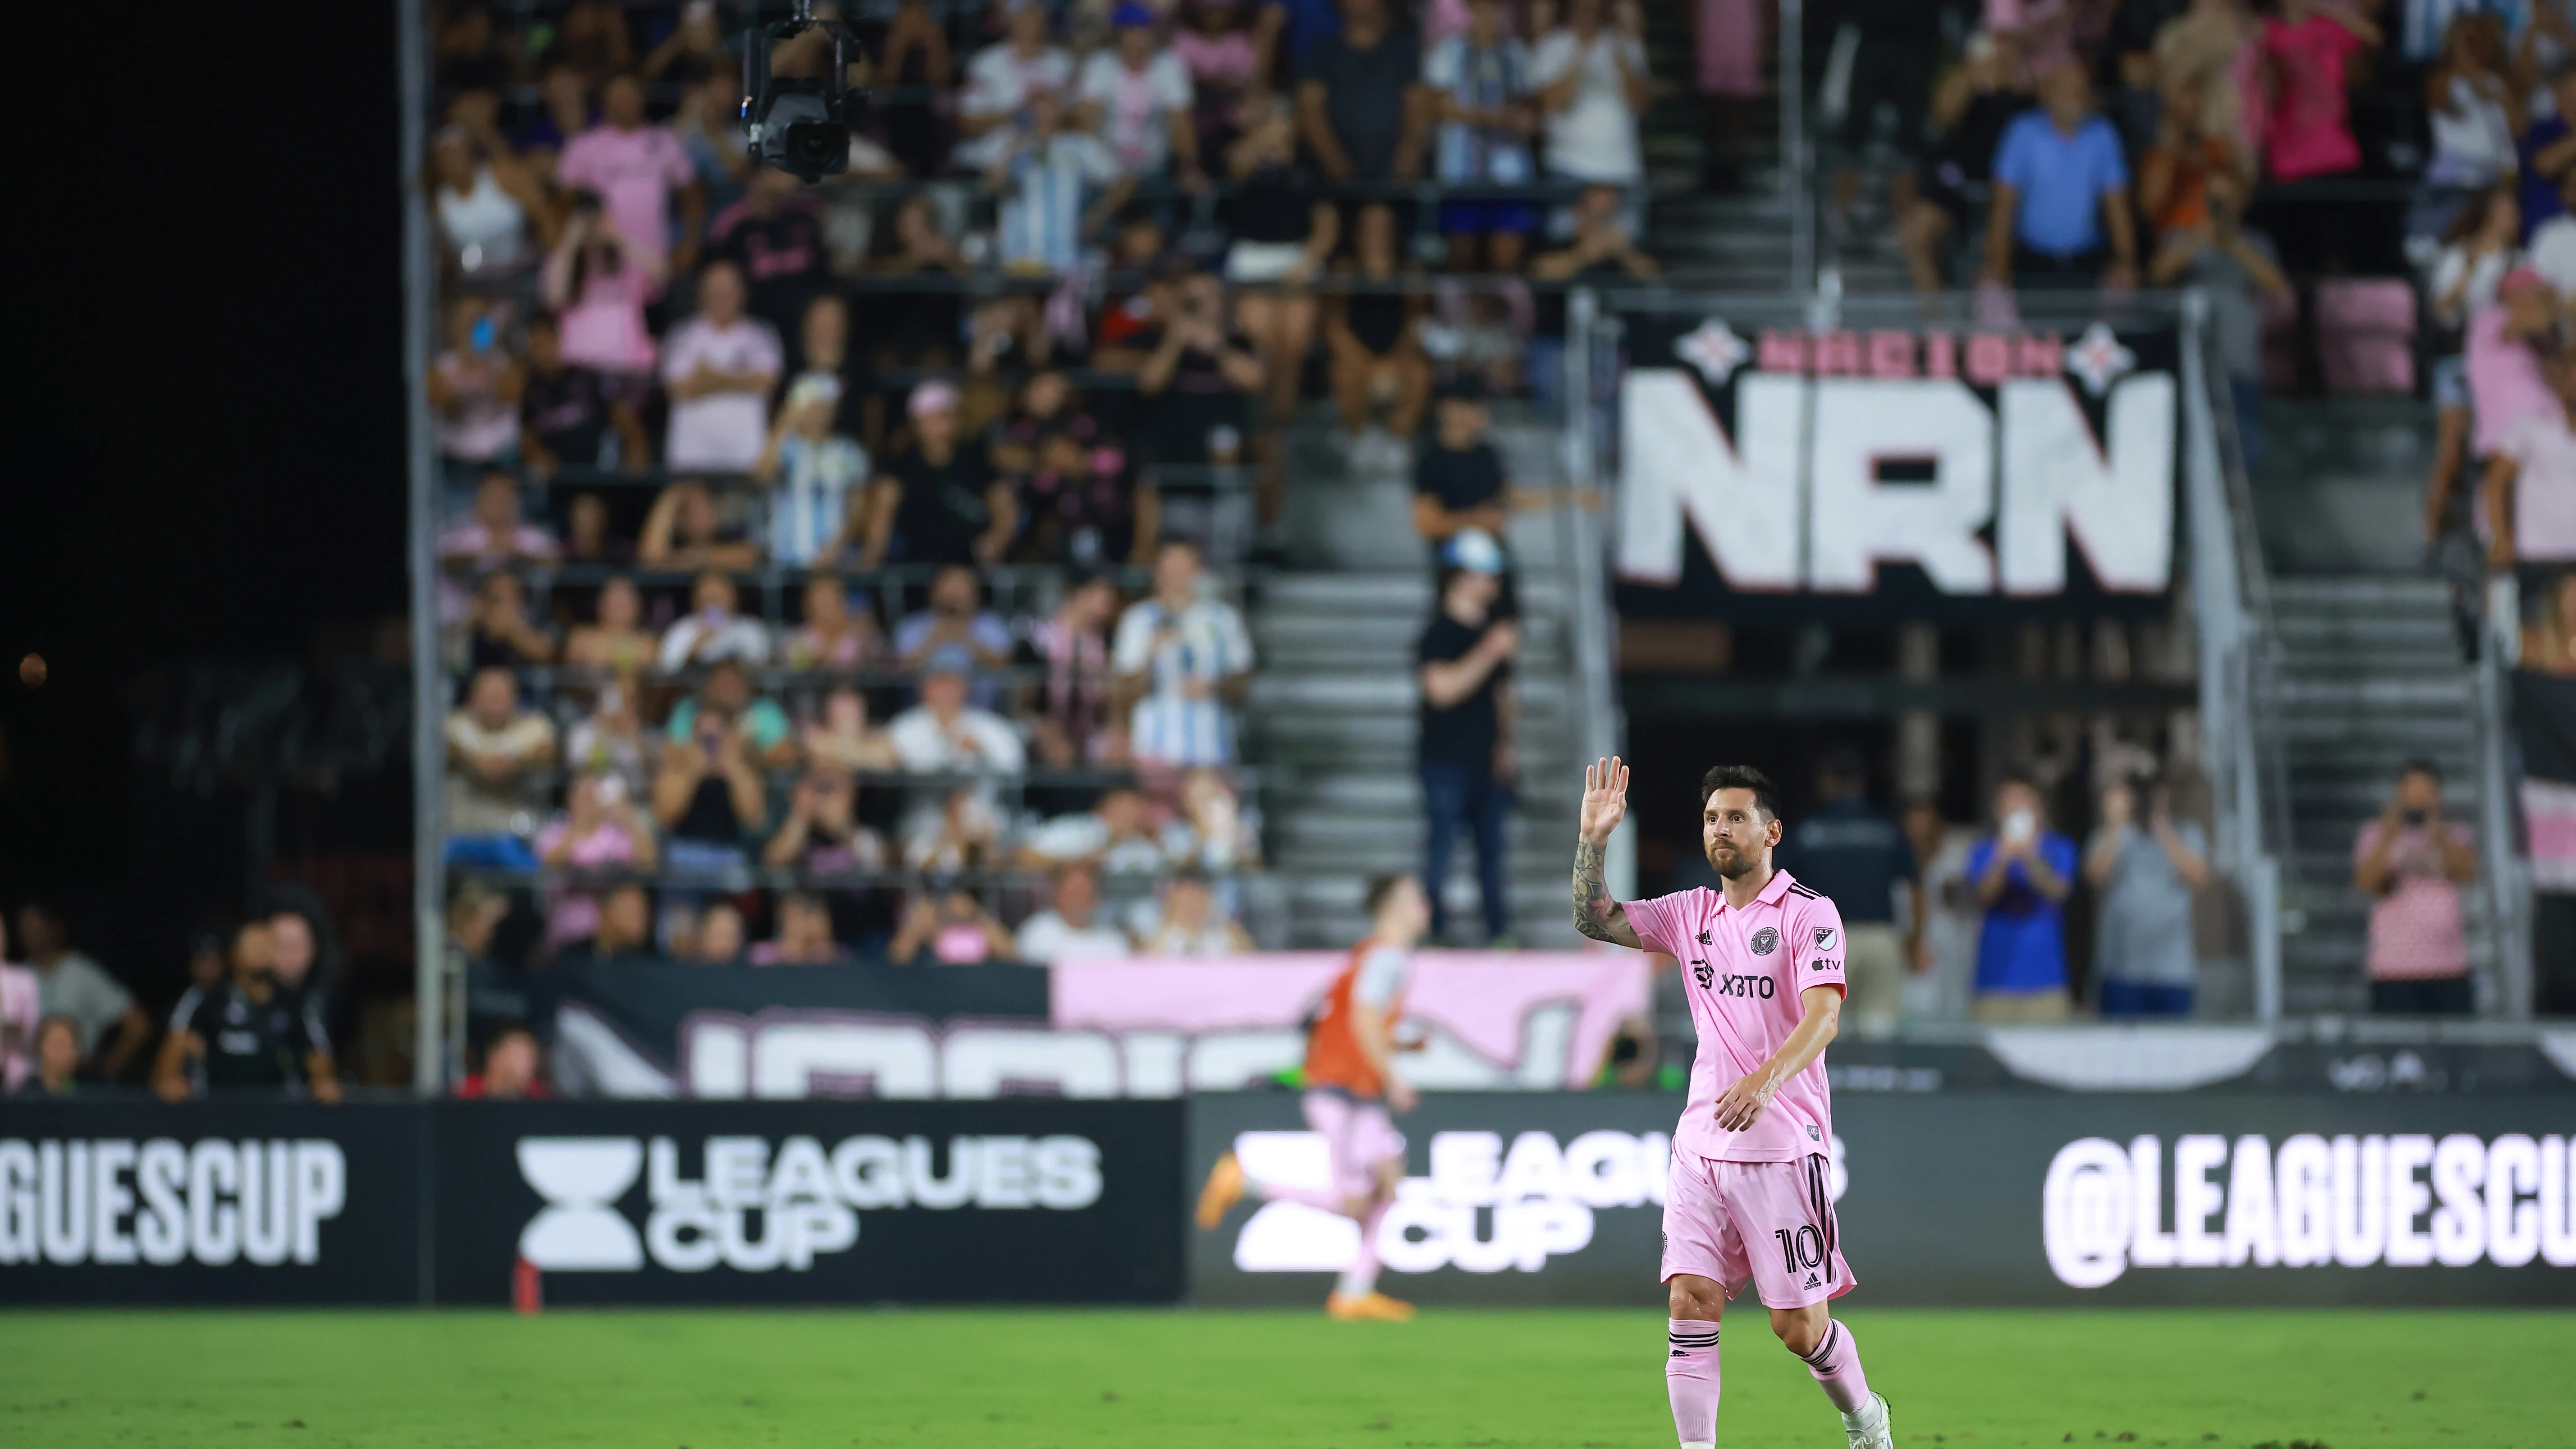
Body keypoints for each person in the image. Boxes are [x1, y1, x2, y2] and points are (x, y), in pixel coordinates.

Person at [1562, 758, 1894, 1449]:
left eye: (1736, 816)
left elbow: (1824, 1016)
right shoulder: (1689, 913)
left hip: (1779, 1146)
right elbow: (1594, 918)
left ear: (1770, 831)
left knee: (1798, 1328)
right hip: (1699, 1148)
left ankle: (1865, 1418)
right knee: (1690, 1302)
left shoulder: (1809, 913)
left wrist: (1764, 1080)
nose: (1721, 828)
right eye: (1712, 816)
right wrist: (1592, 838)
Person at [1195, 873, 1433, 1323]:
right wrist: (1394, 1076)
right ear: (1390, 908)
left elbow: (1351, 1025)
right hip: (1340, 1091)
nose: (1426, 905)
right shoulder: (1386, 958)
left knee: (1387, 1186)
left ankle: (1354, 1292)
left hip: (1355, 1090)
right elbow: (1362, 1020)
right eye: (1415, 897)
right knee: (1354, 1202)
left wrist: (1397, 1045)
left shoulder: (1372, 955)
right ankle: (1243, 1182)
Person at [1773, 751, 1921, 1041]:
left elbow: (1779, 888)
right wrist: (1915, 940)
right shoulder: (1886, 828)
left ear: (1826, 781)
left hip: (1823, 940)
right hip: (1880, 937)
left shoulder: (1806, 831)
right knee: (1880, 1032)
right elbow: (1915, 887)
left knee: (1824, 1035)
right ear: (1861, 783)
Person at [1416, 541, 1519, 945]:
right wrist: (1489, 653)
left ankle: (1498, 934)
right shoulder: (1438, 633)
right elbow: (1441, 689)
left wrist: (1507, 745)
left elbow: (1503, 697)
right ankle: (1431, 934)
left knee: (1492, 856)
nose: (1494, 584)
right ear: (1462, 578)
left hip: (1486, 762)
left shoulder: (1490, 633)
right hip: (1445, 761)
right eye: (1486, 575)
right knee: (1440, 851)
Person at [1979, 64, 2138, 293]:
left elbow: (2117, 206)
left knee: (2117, 296)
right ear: (2047, 94)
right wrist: (1997, 266)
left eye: (2081, 90)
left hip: (2088, 260)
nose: (2076, 97)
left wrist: (2126, 261)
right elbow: (2004, 206)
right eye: (2068, 89)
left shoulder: (2103, 134)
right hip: (2030, 258)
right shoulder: (2022, 133)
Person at [1897, 36, 2031, 294]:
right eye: (2000, 43)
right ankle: (1937, 320)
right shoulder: (1966, 77)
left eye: (2011, 42)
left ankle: (1997, 328)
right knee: (1914, 237)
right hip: (1956, 187)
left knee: (1993, 257)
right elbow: (1941, 116)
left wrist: (2014, 81)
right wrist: (1973, 76)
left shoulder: (2030, 91)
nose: (2005, 51)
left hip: (2007, 194)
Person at [152, 922, 341, 1103]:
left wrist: (324, 1081)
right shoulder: (206, 1000)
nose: (260, 951)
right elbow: (176, 1045)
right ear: (235, 952)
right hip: (216, 1110)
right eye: (252, 945)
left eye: (267, 945)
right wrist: (170, 1079)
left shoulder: (296, 1004)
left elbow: (317, 1055)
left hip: (280, 1113)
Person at [1111, 539, 1256, 768]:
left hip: (1211, 751)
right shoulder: (1138, 621)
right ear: (1158, 574)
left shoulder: (1223, 620)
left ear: (1198, 571)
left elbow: (1242, 684)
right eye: (1170, 570)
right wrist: (1150, 656)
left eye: (1183, 569)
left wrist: (1213, 687)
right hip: (1153, 752)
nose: (1177, 578)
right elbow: (1120, 694)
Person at [2353, 761, 2480, 1014]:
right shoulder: (2374, 834)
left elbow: (2467, 872)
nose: (2418, 799)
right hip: (2393, 969)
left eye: (2426, 792)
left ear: (2439, 796)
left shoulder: (2457, 834)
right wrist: (2389, 834)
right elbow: (2368, 882)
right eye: (2411, 791)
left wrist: (2438, 834)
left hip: (2449, 967)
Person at [2082, 773, 2213, 1017]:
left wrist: (2162, 827)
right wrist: (2115, 826)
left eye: (2155, 795)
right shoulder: (2111, 836)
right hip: (2121, 971)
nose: (2147, 801)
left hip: (2173, 972)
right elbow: (2095, 877)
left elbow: (2200, 878)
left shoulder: (2187, 833)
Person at [1424, 0, 1538, 275]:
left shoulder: (1517, 54)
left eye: (1496, 9)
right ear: (1470, 12)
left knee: (1506, 260)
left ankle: (1503, 315)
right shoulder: (1448, 53)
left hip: (1509, 172)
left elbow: (1529, 106)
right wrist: (1493, 117)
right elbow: (1439, 108)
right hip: (1460, 172)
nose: (1489, 17)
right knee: (1461, 258)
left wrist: (1523, 120)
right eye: (1482, 9)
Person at [555, 71, 703, 276]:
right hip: (602, 268)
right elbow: (563, 205)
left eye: (630, 94)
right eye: (617, 96)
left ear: (642, 97)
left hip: (656, 263)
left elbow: (692, 195)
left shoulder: (665, 141)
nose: (625, 102)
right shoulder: (583, 146)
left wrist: (690, 244)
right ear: (605, 100)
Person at [859, 382, 1014, 569]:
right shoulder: (899, 468)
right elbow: (880, 523)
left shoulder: (978, 460)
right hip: (919, 568)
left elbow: (1004, 505)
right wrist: (870, 562)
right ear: (917, 424)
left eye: (945, 417)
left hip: (971, 567)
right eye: (931, 419)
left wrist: (996, 541)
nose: (940, 426)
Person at [1964, 774, 2079, 1022]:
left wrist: (2029, 857)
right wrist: (2002, 859)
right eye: (2009, 803)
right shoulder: (1984, 851)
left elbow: (2059, 891)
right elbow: (1982, 896)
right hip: (1994, 983)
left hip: (2046, 984)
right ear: (1998, 811)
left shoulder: (2060, 847)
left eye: (2023, 801)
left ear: (2038, 807)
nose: (2016, 808)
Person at [1324, 202, 1435, 458]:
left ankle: (1398, 441)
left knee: (1419, 373)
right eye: (1369, 229)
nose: (1376, 236)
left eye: (1383, 229)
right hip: (1356, 355)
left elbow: (1416, 323)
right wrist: (1368, 364)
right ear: (1357, 232)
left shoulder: (1409, 272)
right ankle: (1357, 439)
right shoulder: (1345, 271)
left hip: (1398, 355)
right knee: (1343, 372)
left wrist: (1393, 361)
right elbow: (1334, 326)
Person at [986, 89, 1131, 274]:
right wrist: (1016, 143)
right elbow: (991, 185)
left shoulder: (1079, 145)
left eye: (1049, 107)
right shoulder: (1008, 143)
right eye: (1036, 108)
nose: (1042, 114)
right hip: (1017, 254)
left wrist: (1099, 214)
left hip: (1065, 255)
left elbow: (1124, 180)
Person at [1297, 0, 1430, 199]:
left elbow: (1418, 105)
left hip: (1392, 178)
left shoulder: (1403, 50)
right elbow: (1310, 110)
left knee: (1377, 221)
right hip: (1332, 182)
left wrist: (1406, 159)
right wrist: (1337, 167)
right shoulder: (1322, 53)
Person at [1136, 269, 1266, 469]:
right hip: (1176, 449)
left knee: (1227, 439)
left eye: (1210, 297)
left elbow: (1255, 381)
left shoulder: (1237, 338)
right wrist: (1175, 341)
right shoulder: (1162, 338)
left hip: (1227, 453)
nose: (1202, 306)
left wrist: (1217, 347)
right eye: (1194, 300)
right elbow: (1148, 384)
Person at [660, 261, 784, 472]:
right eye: (715, 290)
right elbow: (679, 388)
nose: (722, 297)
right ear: (702, 294)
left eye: (729, 290)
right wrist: (742, 377)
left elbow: (767, 383)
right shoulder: (683, 335)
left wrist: (708, 377)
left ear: (743, 294)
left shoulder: (762, 335)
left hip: (747, 458)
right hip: (692, 457)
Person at [13, 903, 151, 1081]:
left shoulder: (82, 972)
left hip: (79, 1082)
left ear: (56, 928)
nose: (31, 937)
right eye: (25, 931)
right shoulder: (16, 978)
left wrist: (107, 1070)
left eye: (37, 929)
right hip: (26, 1086)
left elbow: (139, 1026)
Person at [706, 166, 830, 353]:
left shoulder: (804, 219)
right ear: (760, 175)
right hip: (754, 335)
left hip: (805, 331)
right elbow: (718, 278)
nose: (790, 178)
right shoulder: (734, 223)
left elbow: (825, 276)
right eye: (781, 171)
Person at [1078, 3, 1204, 185]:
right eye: (1139, 29)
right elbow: (1088, 124)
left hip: (1154, 170)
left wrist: (1188, 167)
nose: (1146, 35)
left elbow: (1180, 123)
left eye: (1148, 29)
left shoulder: (1170, 65)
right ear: (1122, 35)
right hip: (1106, 172)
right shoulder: (1100, 65)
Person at [444, 668, 557, 870]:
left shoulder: (535, 727)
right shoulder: (455, 726)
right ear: (473, 699)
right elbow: (447, 752)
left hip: (516, 836)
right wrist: (473, 762)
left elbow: (548, 754)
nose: (495, 705)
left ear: (515, 699)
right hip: (464, 833)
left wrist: (515, 763)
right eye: (489, 697)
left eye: (501, 697)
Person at [754, 374, 871, 567]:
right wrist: (787, 420)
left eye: (825, 407)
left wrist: (837, 546)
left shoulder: (850, 452)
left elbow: (859, 508)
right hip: (784, 560)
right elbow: (762, 475)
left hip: (832, 563)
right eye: (812, 407)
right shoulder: (785, 448)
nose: (819, 414)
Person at [536, 771, 661, 951]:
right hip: (567, 934)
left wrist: (628, 819)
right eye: (584, 795)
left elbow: (649, 864)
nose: (589, 802)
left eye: (594, 795)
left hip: (611, 936)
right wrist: (579, 827)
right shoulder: (555, 832)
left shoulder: (614, 834)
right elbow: (549, 863)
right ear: (570, 798)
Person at [1530, 0, 1648, 190]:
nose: (1589, 16)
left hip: (1621, 167)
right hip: (1568, 165)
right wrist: (1581, 53)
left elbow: (1641, 104)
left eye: (1595, 10)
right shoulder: (1553, 46)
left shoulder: (1627, 45)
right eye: (1583, 9)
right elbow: (1554, 104)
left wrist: (1621, 59)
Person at [522, 310, 649, 477]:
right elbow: (527, 437)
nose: (542, 352)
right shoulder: (531, 389)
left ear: (558, 338)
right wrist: (536, 455)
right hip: (557, 480)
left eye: (546, 342)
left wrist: (636, 452)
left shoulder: (587, 378)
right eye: (536, 345)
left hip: (597, 473)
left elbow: (623, 417)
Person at [430, 296, 527, 484]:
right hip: (456, 460)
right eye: (466, 323)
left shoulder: (507, 365)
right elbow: (443, 406)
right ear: (454, 327)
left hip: (500, 459)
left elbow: (511, 396)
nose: (471, 329)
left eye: (477, 321)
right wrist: (466, 366)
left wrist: (484, 361)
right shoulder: (440, 368)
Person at [1031, 573, 1124, 767]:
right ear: (1080, 594)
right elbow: (1027, 698)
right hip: (1048, 725)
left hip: (1090, 729)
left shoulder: (1104, 642)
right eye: (1102, 591)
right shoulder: (1042, 637)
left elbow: (1109, 697)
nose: (1109, 598)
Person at [889, 648, 1030, 774]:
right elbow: (890, 763)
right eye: (939, 681)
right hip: (925, 802)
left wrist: (982, 753)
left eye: (953, 683)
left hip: (980, 803)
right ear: (924, 687)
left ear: (966, 687)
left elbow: (1014, 766)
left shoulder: (990, 725)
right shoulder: (904, 726)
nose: (946, 690)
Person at [765, 765, 889, 876]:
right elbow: (773, 863)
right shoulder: (804, 830)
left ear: (853, 793)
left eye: (831, 789)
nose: (825, 798)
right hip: (813, 898)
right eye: (821, 788)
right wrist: (802, 813)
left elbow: (882, 865)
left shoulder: (868, 827)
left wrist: (843, 829)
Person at [1016, 863, 1137, 962]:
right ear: (1058, 897)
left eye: (1085, 894)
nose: (1079, 901)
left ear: (1097, 899)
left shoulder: (1113, 941)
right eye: (1073, 894)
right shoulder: (1037, 933)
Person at [657, 569, 772, 671]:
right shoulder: (681, 630)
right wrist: (692, 653)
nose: (714, 602)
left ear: (735, 597)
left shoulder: (750, 629)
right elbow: (668, 671)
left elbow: (761, 669)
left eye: (719, 596)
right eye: (709, 597)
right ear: (695, 599)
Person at [640, 479, 762, 571]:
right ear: (679, 520)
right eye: (689, 509)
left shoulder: (732, 535)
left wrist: (689, 560)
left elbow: (752, 556)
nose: (699, 515)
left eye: (705, 504)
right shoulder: (673, 545)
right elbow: (650, 559)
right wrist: (672, 495)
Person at [781, 575, 883, 674]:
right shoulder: (799, 639)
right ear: (808, 604)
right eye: (821, 602)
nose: (826, 606)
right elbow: (795, 671)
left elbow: (878, 667)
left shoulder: (861, 633)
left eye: (830, 598)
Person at [890, 887, 1018, 965]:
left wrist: (979, 917)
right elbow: (898, 957)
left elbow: (1011, 956)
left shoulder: (984, 926)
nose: (958, 909)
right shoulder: (928, 925)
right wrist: (916, 930)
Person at [1142, 870, 1256, 954]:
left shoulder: (1224, 934)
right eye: (1187, 901)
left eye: (1197, 899)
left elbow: (1250, 962)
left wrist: (1222, 921)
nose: (1192, 905)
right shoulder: (1163, 937)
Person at [465, 569, 556, 669]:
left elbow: (545, 655)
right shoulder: (474, 622)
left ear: (519, 599)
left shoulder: (535, 620)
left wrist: (512, 632)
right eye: (495, 600)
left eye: (505, 598)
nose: (500, 608)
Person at [564, 576, 656, 674]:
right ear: (600, 605)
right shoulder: (581, 637)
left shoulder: (648, 642)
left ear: (638, 606)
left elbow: (649, 663)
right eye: (614, 601)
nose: (619, 608)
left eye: (626, 602)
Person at [753, 891, 852, 966]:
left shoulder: (837, 955)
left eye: (813, 913)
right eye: (799, 915)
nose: (806, 922)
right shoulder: (764, 954)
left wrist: (823, 948)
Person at [459, 1023, 550, 1099]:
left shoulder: (540, 1097)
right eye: (520, 1056)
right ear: (494, 1057)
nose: (530, 1064)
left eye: (533, 1057)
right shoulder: (466, 1093)